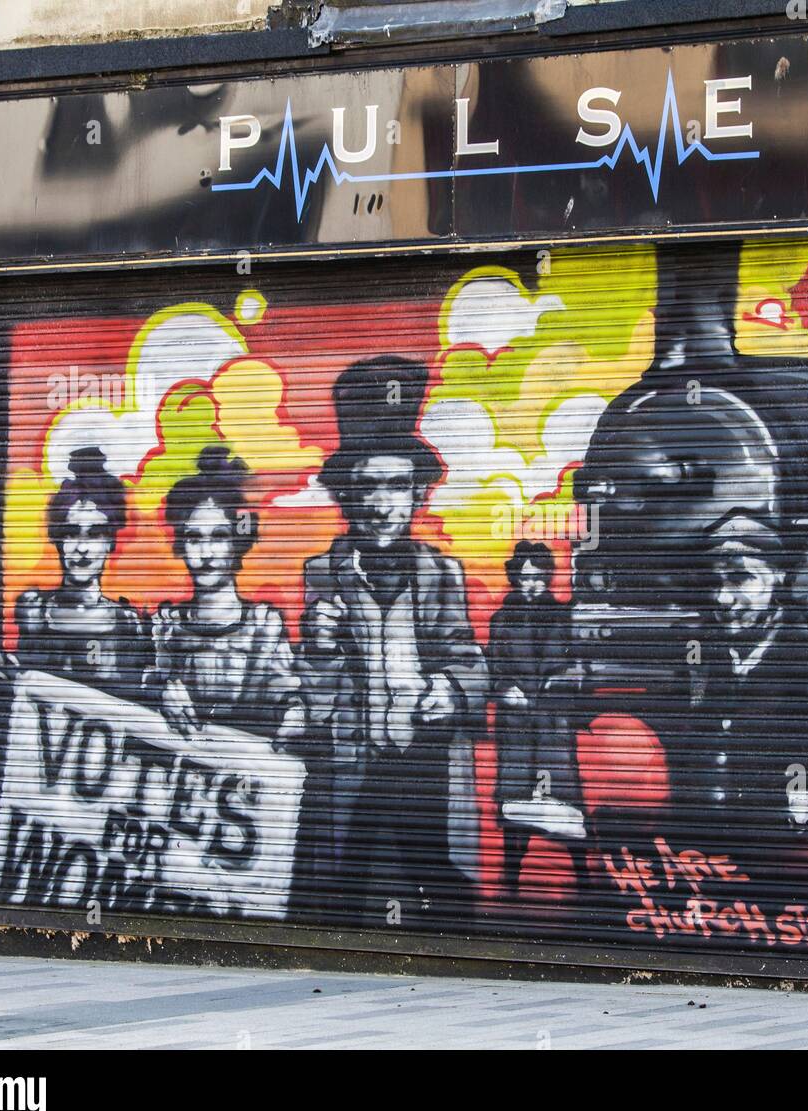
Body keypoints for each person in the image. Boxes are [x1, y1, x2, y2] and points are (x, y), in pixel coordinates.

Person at [298, 356, 488, 928]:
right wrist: (320, 647)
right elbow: (311, 695)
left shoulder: (441, 575)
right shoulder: (322, 574)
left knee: (439, 881)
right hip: (354, 761)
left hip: (424, 759)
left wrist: (451, 690)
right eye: (368, 487)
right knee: (345, 883)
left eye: (396, 486)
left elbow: (472, 660)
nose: (382, 504)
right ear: (347, 496)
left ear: (417, 493)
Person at [688, 513, 808, 828]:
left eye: (740, 578)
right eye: (713, 581)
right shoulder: (698, 654)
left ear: (779, 574)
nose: (722, 598)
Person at [149, 444, 304, 749]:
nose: (206, 554)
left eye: (219, 537)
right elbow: (139, 679)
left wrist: (295, 714)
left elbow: (286, 690)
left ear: (238, 541)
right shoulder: (164, 626)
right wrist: (161, 687)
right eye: (194, 538)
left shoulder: (264, 626)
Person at [488, 541, 591, 899]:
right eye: (524, 577)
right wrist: (504, 688)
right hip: (515, 724)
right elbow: (492, 670)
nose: (531, 585)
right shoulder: (501, 619)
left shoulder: (563, 616)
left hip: (552, 723)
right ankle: (511, 878)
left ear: (547, 578)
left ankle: (584, 877)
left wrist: (565, 678)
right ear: (515, 578)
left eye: (538, 577)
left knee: (566, 801)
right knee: (515, 800)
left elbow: (580, 665)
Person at [12, 445, 147, 698]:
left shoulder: (128, 624)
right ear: (58, 539)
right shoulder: (33, 614)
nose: (82, 548)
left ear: (111, 541)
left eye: (95, 533)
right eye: (72, 532)